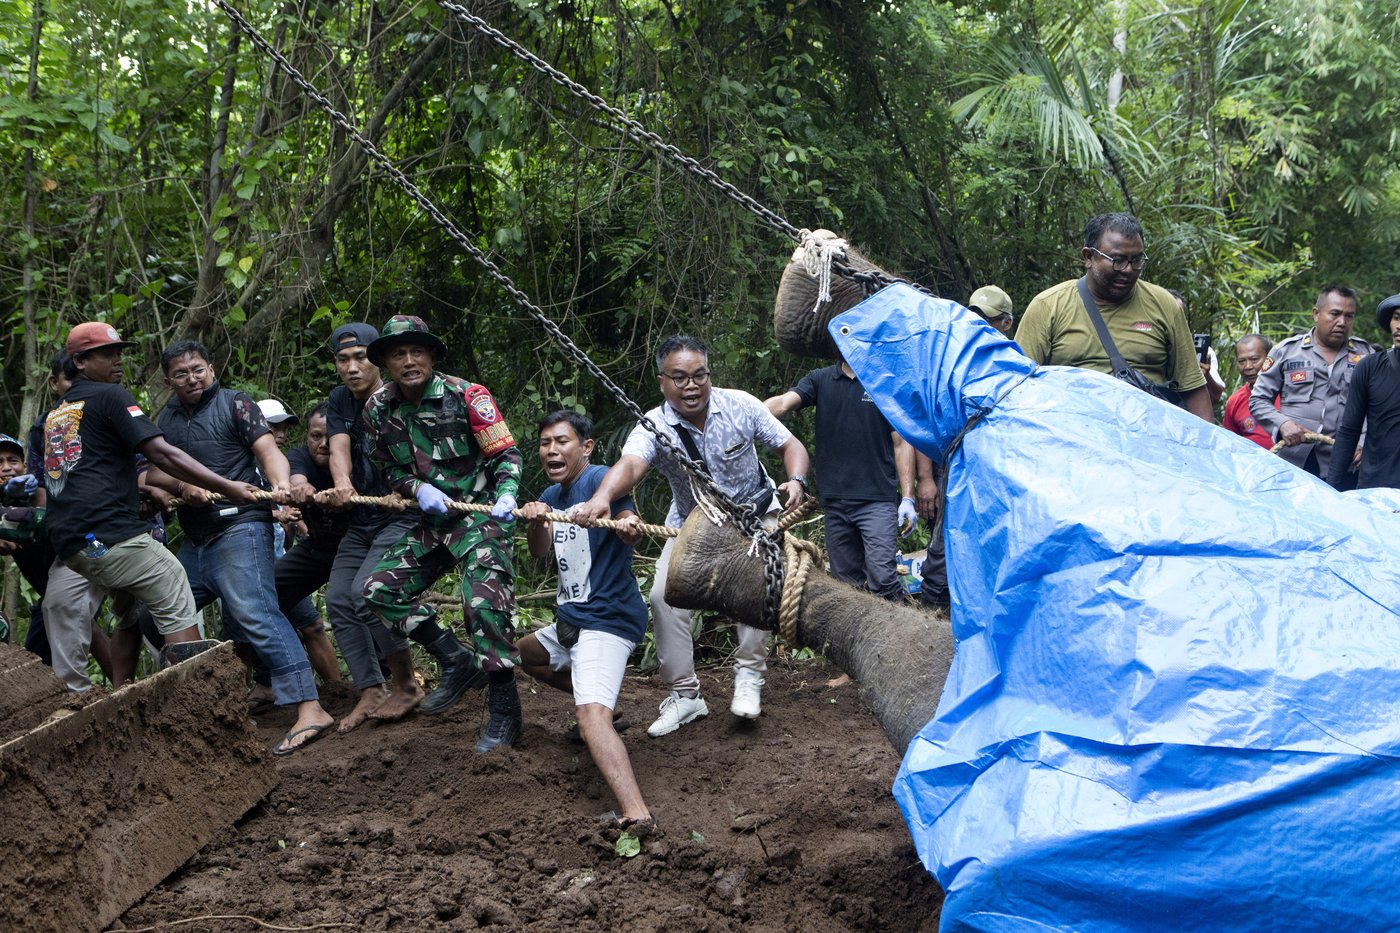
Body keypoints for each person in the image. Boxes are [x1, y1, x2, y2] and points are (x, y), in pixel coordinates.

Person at [573, 335, 811, 735]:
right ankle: (686, 696)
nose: (691, 386)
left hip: (755, 515)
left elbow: (791, 445)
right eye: (679, 378)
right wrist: (601, 498)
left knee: (758, 587)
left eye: (700, 375)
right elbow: (630, 464)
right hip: (693, 522)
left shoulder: (741, 405)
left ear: (709, 375)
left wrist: (797, 480)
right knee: (663, 596)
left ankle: (749, 677)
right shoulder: (654, 425)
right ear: (662, 381)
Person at [39, 323, 257, 688]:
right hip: (109, 535)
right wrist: (226, 486)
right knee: (171, 579)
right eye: (107, 354)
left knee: (128, 605)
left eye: (118, 352)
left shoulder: (59, 411)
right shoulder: (110, 397)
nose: (118, 360)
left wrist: (139, 493)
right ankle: (195, 701)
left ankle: (121, 693)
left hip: (82, 546)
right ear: (79, 361)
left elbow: (85, 473)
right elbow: (161, 453)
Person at [151, 339, 333, 754]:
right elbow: (154, 470)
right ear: (168, 381)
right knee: (154, 615)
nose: (191, 378)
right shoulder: (168, 418)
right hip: (195, 537)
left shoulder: (236, 403)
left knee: (255, 610)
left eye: (198, 369)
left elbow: (268, 450)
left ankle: (310, 706)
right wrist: (182, 486)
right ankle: (205, 707)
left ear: (211, 368)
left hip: (241, 527)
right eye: (181, 374)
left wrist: (281, 484)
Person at [361, 315, 524, 752]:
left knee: (483, 605)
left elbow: (506, 454)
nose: (409, 361)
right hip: (434, 522)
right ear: (386, 363)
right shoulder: (378, 409)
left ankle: (506, 712)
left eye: (417, 351)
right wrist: (415, 487)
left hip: (484, 518)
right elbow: (387, 465)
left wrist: (507, 494)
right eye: (399, 354)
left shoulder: (466, 394)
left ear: (431, 355)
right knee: (379, 589)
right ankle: (456, 659)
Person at [516, 410, 652, 826]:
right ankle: (603, 705)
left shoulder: (598, 480)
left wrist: (629, 526)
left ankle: (636, 812)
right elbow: (539, 552)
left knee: (589, 716)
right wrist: (536, 520)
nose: (552, 450)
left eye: (562, 441)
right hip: (572, 618)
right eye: (545, 443)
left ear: (586, 447)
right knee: (524, 653)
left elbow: (627, 517)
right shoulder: (552, 494)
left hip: (607, 619)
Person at [317, 322, 422, 731]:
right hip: (362, 518)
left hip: (401, 513)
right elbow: (338, 446)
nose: (352, 367)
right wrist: (341, 483)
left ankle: (406, 684)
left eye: (360, 357)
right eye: (343, 359)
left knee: (367, 592)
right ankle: (370, 688)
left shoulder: (398, 393)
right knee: (340, 599)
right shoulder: (340, 400)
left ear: (375, 358)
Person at [1015, 213, 1213, 421]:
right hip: (1072, 436)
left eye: (1136, 260)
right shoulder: (1048, 306)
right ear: (1088, 257)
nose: (1128, 270)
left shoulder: (1164, 304)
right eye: (1117, 261)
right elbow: (1019, 384)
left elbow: (1193, 388)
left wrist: (1209, 449)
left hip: (1148, 439)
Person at [765, 356, 915, 600]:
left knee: (883, 580)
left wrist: (908, 497)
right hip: (836, 503)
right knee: (846, 587)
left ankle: (898, 637)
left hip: (876, 500)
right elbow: (783, 403)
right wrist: (743, 413)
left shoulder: (883, 380)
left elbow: (901, 443)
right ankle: (857, 637)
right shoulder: (820, 379)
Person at [1249, 285, 1373, 483]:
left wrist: (1364, 441)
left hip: (1346, 462)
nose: (1342, 322)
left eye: (1349, 316)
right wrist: (1283, 423)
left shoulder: (1366, 357)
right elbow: (1258, 400)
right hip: (1293, 460)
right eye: (1335, 314)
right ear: (1316, 314)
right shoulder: (1286, 352)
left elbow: (1376, 408)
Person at [1327, 294, 1400, 490]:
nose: (1399, 325)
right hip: (1375, 490)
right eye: (1396, 317)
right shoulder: (1370, 367)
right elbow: (1349, 431)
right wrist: (1331, 489)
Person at [1221, 335, 1275, 450]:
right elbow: (1230, 443)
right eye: (1241, 361)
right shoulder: (1235, 401)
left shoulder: (1289, 392)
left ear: (1269, 359)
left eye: (1254, 359)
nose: (1248, 367)